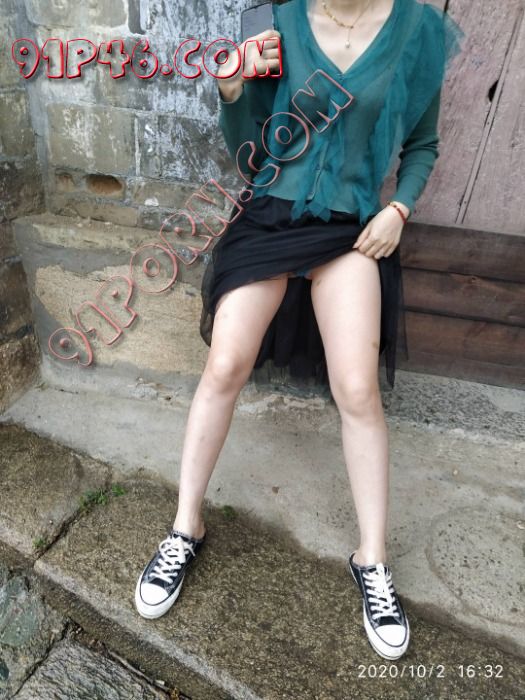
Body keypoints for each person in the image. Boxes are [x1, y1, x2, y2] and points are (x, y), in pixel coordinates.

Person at [135, 0, 464, 661]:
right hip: (268, 217)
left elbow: (423, 143)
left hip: (349, 231)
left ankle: (371, 560)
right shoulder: (277, 24)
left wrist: (400, 207)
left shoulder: (418, 31)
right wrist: (232, 90)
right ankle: (184, 528)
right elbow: (253, 153)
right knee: (225, 363)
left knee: (357, 389)